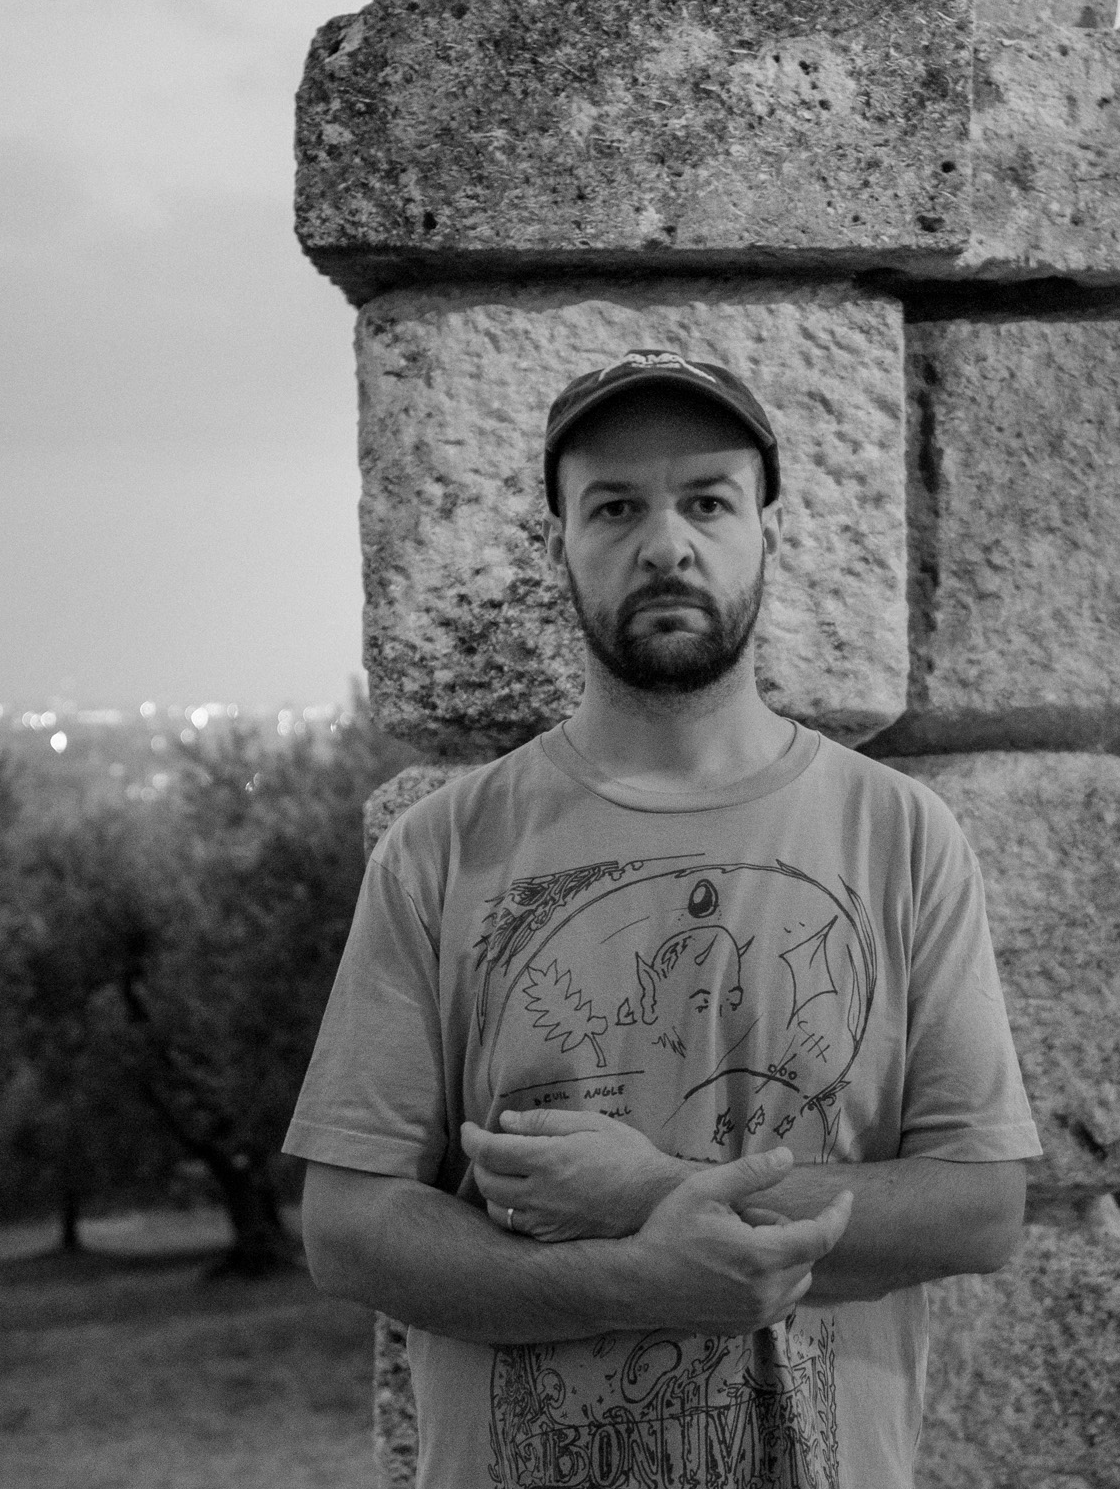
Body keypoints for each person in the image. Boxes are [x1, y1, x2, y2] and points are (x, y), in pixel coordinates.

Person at [285, 350, 1041, 1489]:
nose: (665, 543)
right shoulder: (441, 852)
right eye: (615, 507)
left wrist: (649, 1193)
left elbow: (979, 1207)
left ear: (766, 536)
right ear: (559, 549)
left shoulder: (897, 835)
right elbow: (345, 1231)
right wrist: (643, 1278)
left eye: (705, 501)